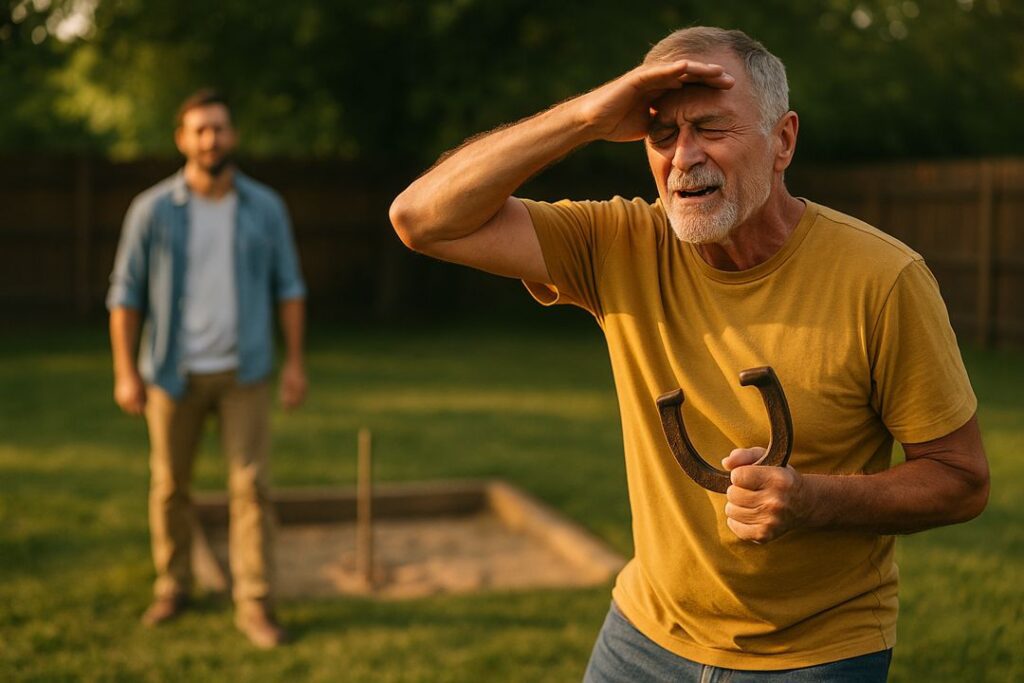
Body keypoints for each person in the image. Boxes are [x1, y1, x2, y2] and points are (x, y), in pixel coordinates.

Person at [389, 26, 989, 681]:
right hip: (642, 637)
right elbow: (421, 218)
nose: (683, 156)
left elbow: (960, 480)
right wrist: (587, 116)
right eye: (662, 135)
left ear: (783, 140)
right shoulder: (620, 243)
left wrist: (813, 500)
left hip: (814, 655)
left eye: (711, 128)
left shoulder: (883, 279)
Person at [107, 88, 307, 649]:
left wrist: (295, 363)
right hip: (172, 373)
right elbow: (125, 294)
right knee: (170, 487)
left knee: (252, 488)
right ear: (182, 139)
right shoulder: (152, 210)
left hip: (246, 371)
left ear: (232, 135)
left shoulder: (265, 207)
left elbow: (290, 287)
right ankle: (173, 586)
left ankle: (255, 602)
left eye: (218, 128)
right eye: (199, 130)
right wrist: (125, 372)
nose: (210, 139)